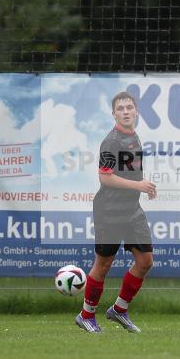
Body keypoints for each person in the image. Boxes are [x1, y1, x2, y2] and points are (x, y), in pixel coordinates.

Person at [76, 92, 157, 334]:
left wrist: (144, 184)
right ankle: (86, 315)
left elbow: (128, 171)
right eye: (120, 108)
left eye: (129, 107)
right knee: (103, 264)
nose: (125, 111)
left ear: (136, 112)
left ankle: (119, 310)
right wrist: (139, 185)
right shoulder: (111, 141)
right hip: (109, 211)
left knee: (145, 261)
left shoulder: (134, 137)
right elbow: (105, 177)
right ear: (113, 114)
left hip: (132, 211)